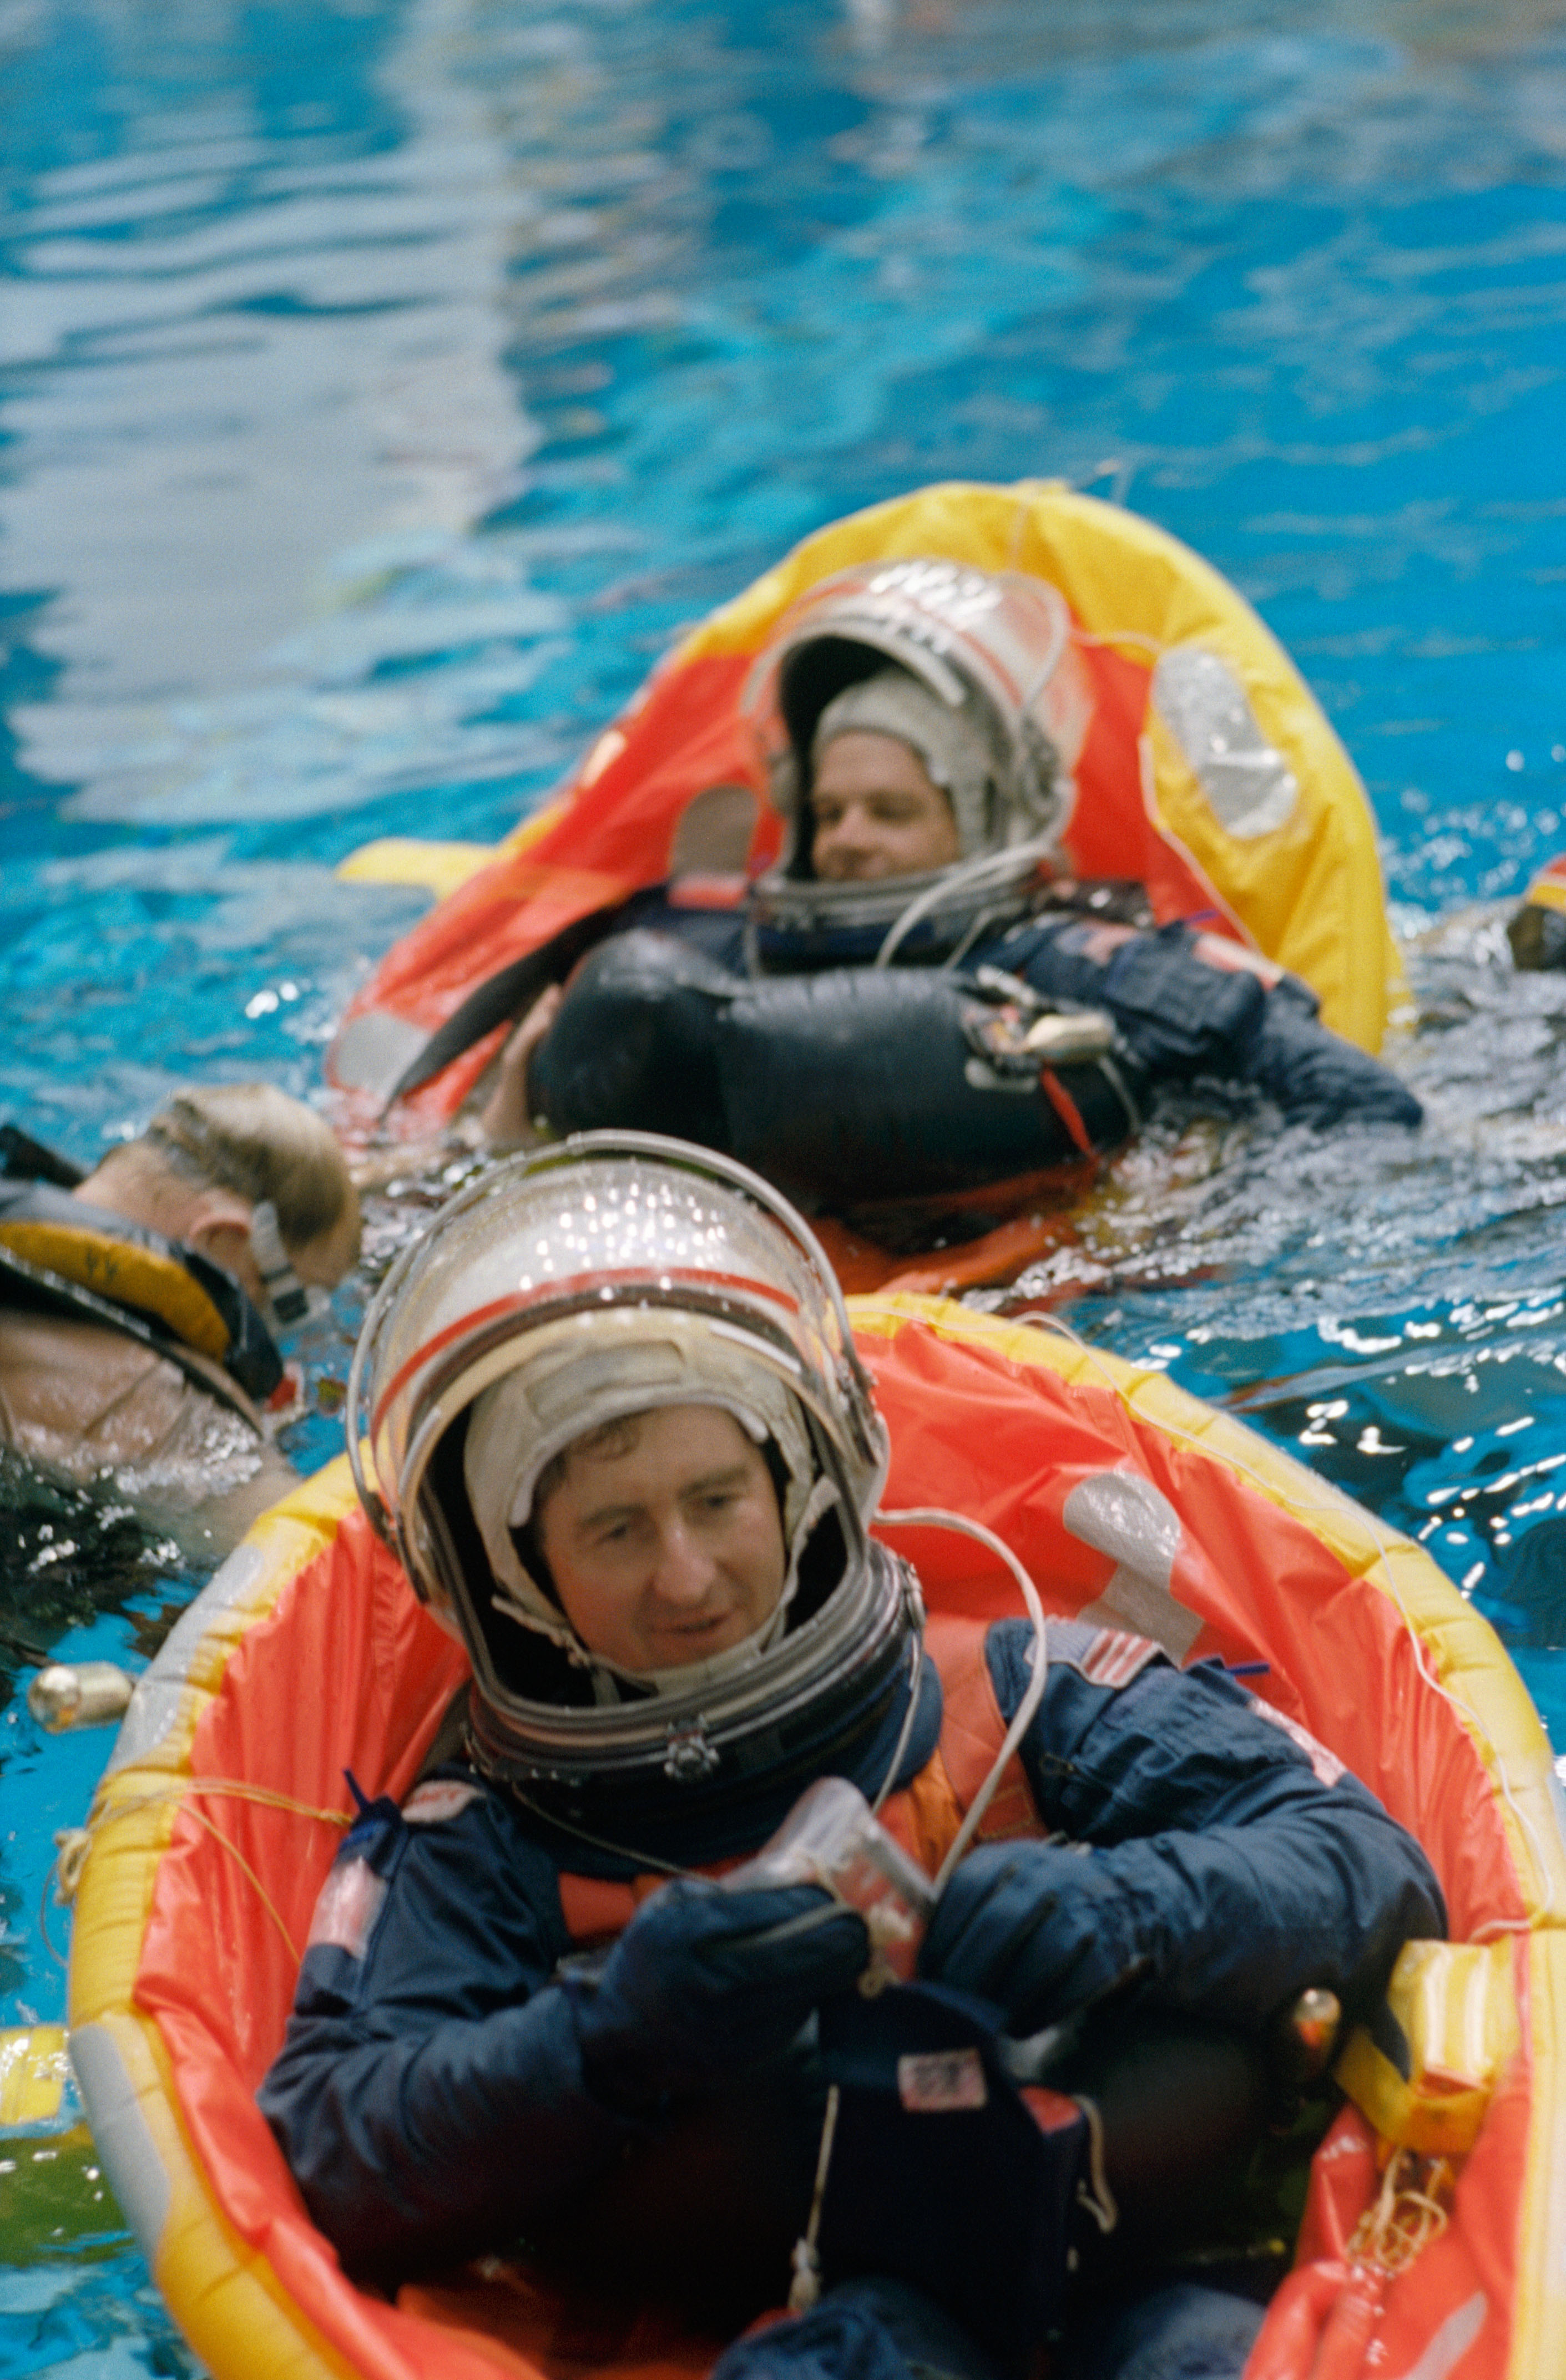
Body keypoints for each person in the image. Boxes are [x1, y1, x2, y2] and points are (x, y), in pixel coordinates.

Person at [259, 1134, 1443, 2380]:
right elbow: (332, 2150)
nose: (686, 1577)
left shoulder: (1012, 1690)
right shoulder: (485, 1842)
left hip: (1142, 2277)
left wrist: (1127, 1906)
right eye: (614, 1531)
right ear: (518, 1579)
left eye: (717, 1501)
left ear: (800, 1485)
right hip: (765, 2330)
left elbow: (1369, 1866)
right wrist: (611, 2031)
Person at [459, 560, 1420, 1232]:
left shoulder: (1100, 974)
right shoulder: (705, 952)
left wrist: (1191, 1202)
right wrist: (504, 1138)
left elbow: (1369, 1111)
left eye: (891, 810)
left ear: (983, 817)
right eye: (828, 812)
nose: (846, 839)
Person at [0, 1085, 360, 1552]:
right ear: (221, 1238)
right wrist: (259, 1435)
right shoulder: (160, 1400)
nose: (277, 1339)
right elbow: (324, 1561)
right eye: (286, 1311)